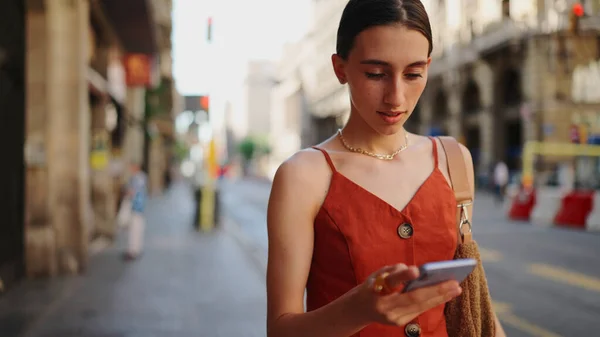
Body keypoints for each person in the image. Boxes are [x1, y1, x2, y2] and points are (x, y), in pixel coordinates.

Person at [265, 1, 507, 336]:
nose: (396, 97)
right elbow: (280, 330)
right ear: (340, 69)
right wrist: (359, 309)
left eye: (413, 74)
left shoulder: (454, 160)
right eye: (376, 74)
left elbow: (475, 307)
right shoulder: (303, 175)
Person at [123, 162, 147, 261]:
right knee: (137, 229)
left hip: (136, 207)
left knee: (134, 230)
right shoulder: (142, 177)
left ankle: (133, 251)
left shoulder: (137, 178)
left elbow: (132, 192)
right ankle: (136, 249)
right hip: (139, 208)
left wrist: (126, 191)